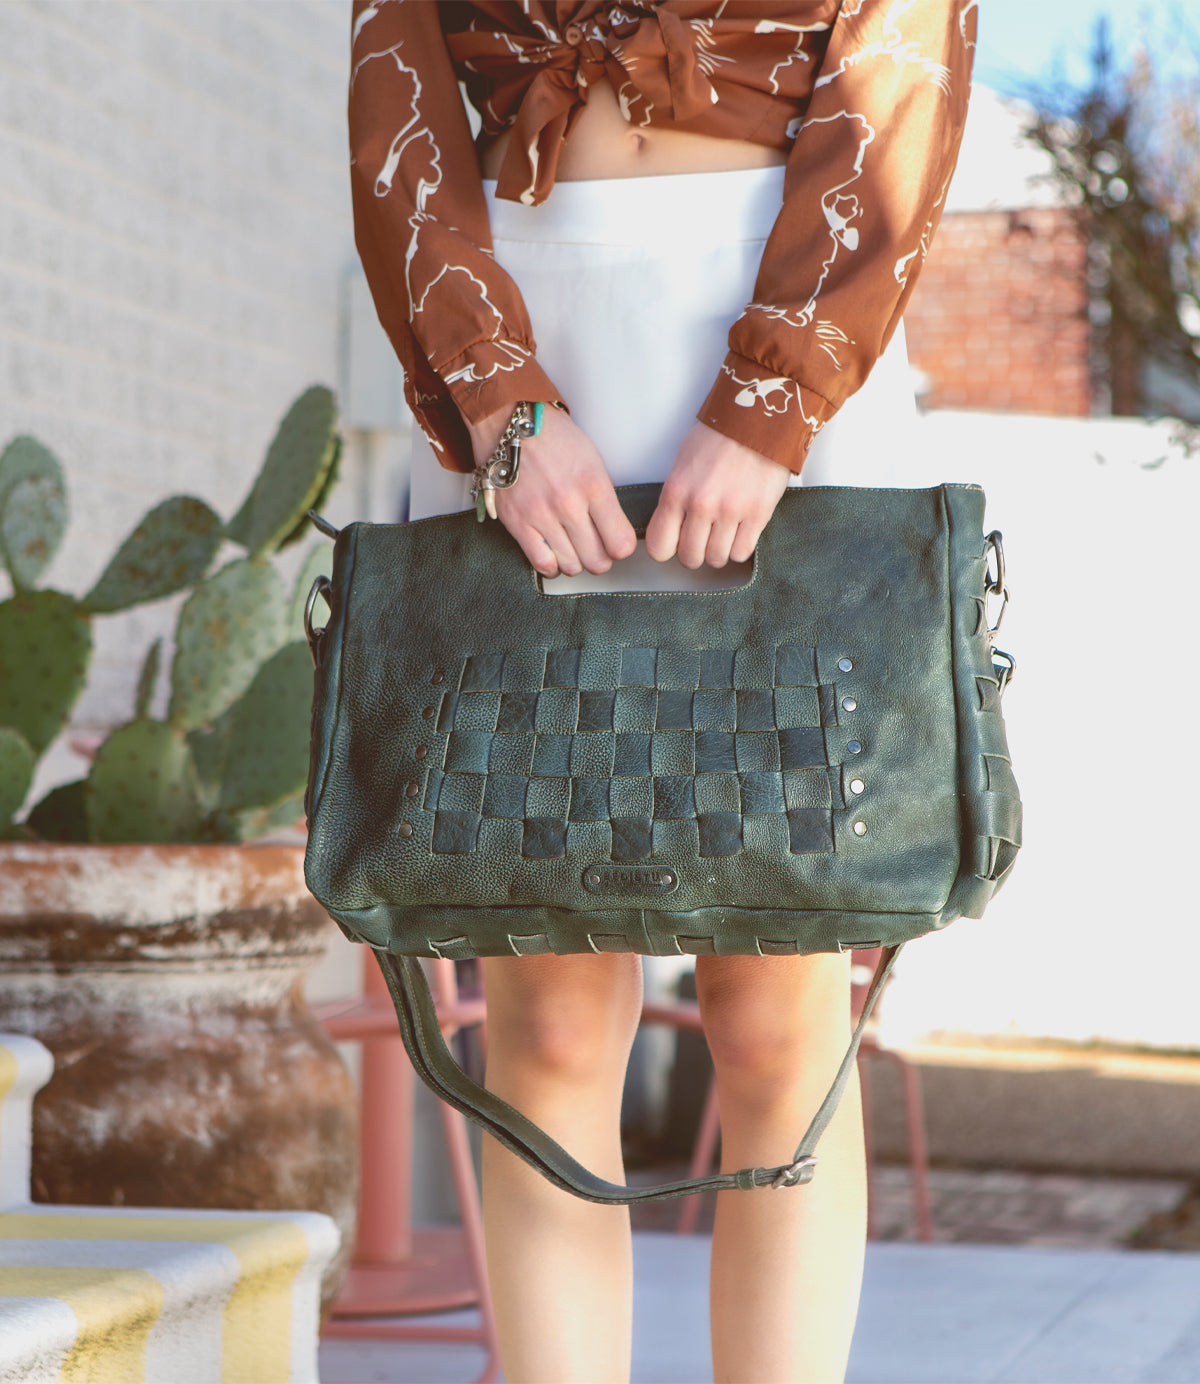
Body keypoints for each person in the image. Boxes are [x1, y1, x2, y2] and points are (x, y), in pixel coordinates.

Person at [348, 4, 975, 1379]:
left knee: (781, 1003)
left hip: (783, 317)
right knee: (549, 1007)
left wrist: (775, 396)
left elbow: (899, 71)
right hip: (526, 336)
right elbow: (397, 92)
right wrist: (498, 399)